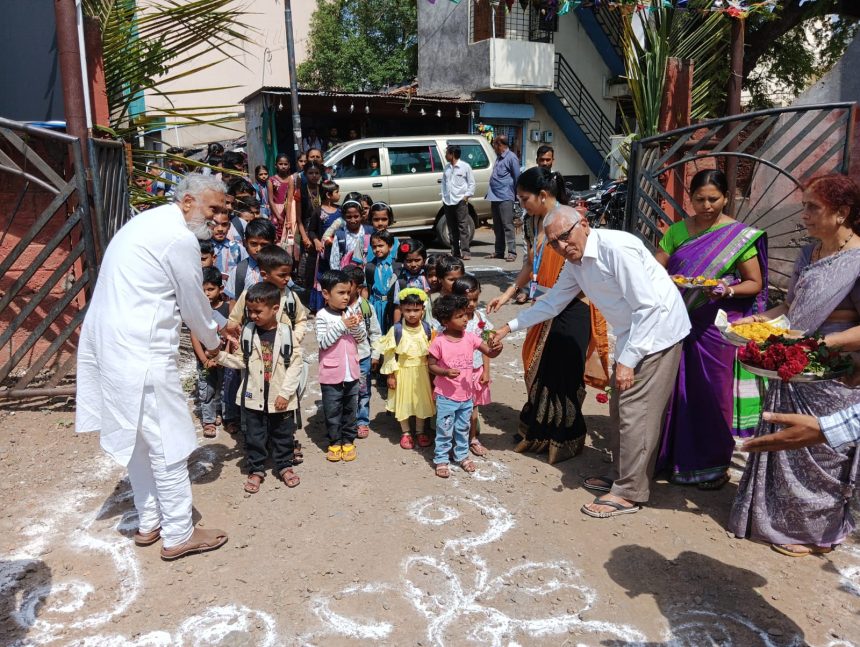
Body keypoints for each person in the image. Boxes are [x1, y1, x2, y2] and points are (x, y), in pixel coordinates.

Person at [493, 206, 690, 518]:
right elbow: (555, 302)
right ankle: (622, 476)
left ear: (583, 224)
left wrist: (627, 361)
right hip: (633, 333)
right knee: (620, 409)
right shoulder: (576, 263)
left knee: (636, 413)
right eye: (554, 242)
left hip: (659, 332)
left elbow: (649, 308)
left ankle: (629, 493)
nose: (561, 246)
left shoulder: (617, 249)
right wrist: (509, 327)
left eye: (564, 237)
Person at [76, 174, 229, 560]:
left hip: (109, 343)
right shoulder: (180, 237)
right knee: (168, 443)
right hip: (139, 348)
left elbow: (183, 299)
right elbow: (192, 301)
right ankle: (178, 533)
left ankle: (149, 523)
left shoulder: (152, 220)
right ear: (189, 200)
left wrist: (222, 323)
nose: (215, 218)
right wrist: (214, 340)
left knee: (138, 439)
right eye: (212, 209)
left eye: (222, 211)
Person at [729, 173, 860, 557]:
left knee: (821, 453)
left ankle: (817, 534)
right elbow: (789, 308)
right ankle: (779, 525)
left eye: (812, 207)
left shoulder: (857, 262)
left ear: (842, 213)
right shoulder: (809, 254)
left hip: (834, 374)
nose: (803, 214)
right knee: (786, 449)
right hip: (792, 368)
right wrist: (749, 328)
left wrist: (818, 343)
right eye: (803, 205)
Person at [654, 169, 767, 489]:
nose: (706, 206)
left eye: (713, 199)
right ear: (689, 198)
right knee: (673, 391)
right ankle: (671, 458)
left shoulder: (738, 236)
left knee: (712, 395)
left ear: (726, 198)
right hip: (677, 322)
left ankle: (712, 466)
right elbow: (656, 270)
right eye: (699, 199)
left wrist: (726, 289)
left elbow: (754, 284)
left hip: (714, 330)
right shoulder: (676, 231)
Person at [488, 167, 608, 463]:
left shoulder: (568, 223)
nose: (522, 204)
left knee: (563, 376)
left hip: (572, 308)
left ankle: (566, 438)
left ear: (543, 195)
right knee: (539, 371)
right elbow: (532, 266)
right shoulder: (536, 223)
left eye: (525, 198)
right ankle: (540, 433)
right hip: (546, 306)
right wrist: (507, 297)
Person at [216, 282, 303, 493]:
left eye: (258, 311)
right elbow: (241, 361)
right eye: (250, 311)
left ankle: (284, 465)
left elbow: (296, 365)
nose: (253, 315)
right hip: (253, 396)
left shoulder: (286, 332)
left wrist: (285, 393)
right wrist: (219, 357)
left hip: (280, 397)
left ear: (275, 308)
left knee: (283, 434)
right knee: (254, 435)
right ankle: (256, 468)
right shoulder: (247, 331)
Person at [429, 294, 502, 478]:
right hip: (446, 397)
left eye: (465, 315)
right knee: (444, 429)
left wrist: (496, 349)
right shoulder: (439, 341)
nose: (465, 319)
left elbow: (489, 352)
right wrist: (445, 372)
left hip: (466, 396)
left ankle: (461, 455)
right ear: (446, 321)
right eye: (459, 316)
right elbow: (430, 365)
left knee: (463, 428)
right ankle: (441, 459)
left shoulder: (470, 337)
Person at [316, 270, 366, 462]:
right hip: (331, 373)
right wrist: (343, 325)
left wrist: (355, 325)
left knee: (350, 408)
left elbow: (361, 339)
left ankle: (348, 440)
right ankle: (335, 441)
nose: (346, 297)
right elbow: (323, 343)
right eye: (341, 293)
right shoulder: (322, 316)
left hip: (351, 372)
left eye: (348, 292)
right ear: (326, 294)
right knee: (333, 409)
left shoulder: (351, 311)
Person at [376, 289, 436, 449]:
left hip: (422, 372)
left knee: (421, 401)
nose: (412, 314)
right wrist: (390, 376)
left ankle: (420, 431)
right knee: (403, 402)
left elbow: (433, 353)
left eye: (416, 310)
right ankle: (406, 432)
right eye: (408, 310)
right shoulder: (396, 330)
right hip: (401, 370)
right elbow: (389, 355)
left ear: (423, 310)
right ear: (401, 310)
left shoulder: (427, 329)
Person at [453, 275, 493, 457]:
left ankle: (472, 439)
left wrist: (486, 370)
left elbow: (486, 346)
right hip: (456, 374)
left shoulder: (479, 318)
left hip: (475, 371)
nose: (471, 304)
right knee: (455, 411)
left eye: (475, 300)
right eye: (466, 300)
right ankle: (454, 441)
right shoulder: (453, 319)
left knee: (472, 411)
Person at [343, 265, 382, 439]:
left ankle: (362, 421)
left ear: (358, 288)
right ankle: (347, 420)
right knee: (344, 389)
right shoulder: (337, 306)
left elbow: (375, 333)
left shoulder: (366, 308)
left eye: (348, 285)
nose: (344, 289)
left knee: (363, 390)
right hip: (342, 356)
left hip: (363, 356)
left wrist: (375, 355)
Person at [192, 266, 230, 438]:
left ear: (220, 289)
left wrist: (225, 357)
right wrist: (204, 359)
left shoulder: (227, 308)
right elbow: (194, 337)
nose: (206, 294)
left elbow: (230, 336)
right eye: (202, 290)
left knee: (224, 388)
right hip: (205, 360)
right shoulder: (198, 311)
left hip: (223, 359)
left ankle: (223, 415)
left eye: (210, 289)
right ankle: (208, 420)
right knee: (206, 389)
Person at [486, 135, 520, 262]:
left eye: (494, 144)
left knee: (507, 225)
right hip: (494, 196)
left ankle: (512, 252)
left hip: (505, 196)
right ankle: (499, 251)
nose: (493, 147)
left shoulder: (511, 158)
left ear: (499, 145)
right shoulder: (499, 158)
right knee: (497, 226)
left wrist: (517, 196)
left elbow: (517, 177)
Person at [441, 145, 476, 260]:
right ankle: (455, 251)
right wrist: (444, 198)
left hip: (460, 201)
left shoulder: (465, 167)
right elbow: (444, 184)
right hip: (448, 201)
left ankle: (465, 252)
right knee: (451, 228)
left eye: (447, 153)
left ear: (452, 154)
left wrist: (466, 197)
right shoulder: (446, 168)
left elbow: (472, 184)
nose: (446, 155)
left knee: (463, 227)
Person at [390, 239, 432, 325]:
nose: (413, 264)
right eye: (409, 261)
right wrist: (396, 328)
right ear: (403, 261)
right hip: (407, 323)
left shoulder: (429, 277)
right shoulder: (401, 281)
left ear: (424, 260)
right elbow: (398, 307)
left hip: (428, 321)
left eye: (417, 260)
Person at [365, 229, 399, 333]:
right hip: (375, 305)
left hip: (392, 305)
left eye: (381, 246)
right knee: (376, 333)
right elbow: (366, 288)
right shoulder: (369, 267)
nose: (377, 249)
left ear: (390, 246)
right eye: (374, 247)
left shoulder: (397, 266)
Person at [327, 199, 374, 269]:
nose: (352, 220)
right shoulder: (340, 235)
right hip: (346, 275)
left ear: (361, 215)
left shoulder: (369, 231)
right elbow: (334, 261)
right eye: (349, 217)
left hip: (367, 274)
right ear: (343, 217)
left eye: (356, 216)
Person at [268, 155, 292, 241]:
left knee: (288, 234)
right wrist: (278, 216)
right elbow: (270, 200)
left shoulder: (291, 179)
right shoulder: (271, 180)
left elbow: (290, 200)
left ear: (289, 165)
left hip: (289, 209)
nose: (283, 166)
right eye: (280, 164)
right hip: (277, 210)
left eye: (285, 164)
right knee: (277, 233)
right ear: (276, 165)